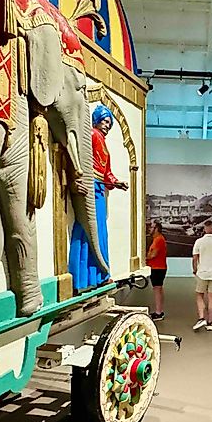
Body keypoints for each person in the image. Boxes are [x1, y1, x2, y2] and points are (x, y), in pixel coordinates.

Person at [68, 104, 128, 293]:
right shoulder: (92, 135)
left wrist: (116, 182)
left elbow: (106, 172)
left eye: (109, 123)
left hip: (99, 189)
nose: (106, 126)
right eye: (104, 121)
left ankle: (98, 276)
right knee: (86, 230)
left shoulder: (103, 143)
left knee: (99, 232)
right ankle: (80, 279)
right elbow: (81, 160)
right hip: (90, 187)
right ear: (96, 120)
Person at [147, 220, 167, 321]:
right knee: (158, 289)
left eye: (152, 227)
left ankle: (158, 312)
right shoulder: (157, 239)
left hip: (157, 268)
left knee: (157, 290)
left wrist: (145, 258)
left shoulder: (158, 240)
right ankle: (159, 310)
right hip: (158, 268)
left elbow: (153, 254)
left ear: (157, 229)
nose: (150, 229)